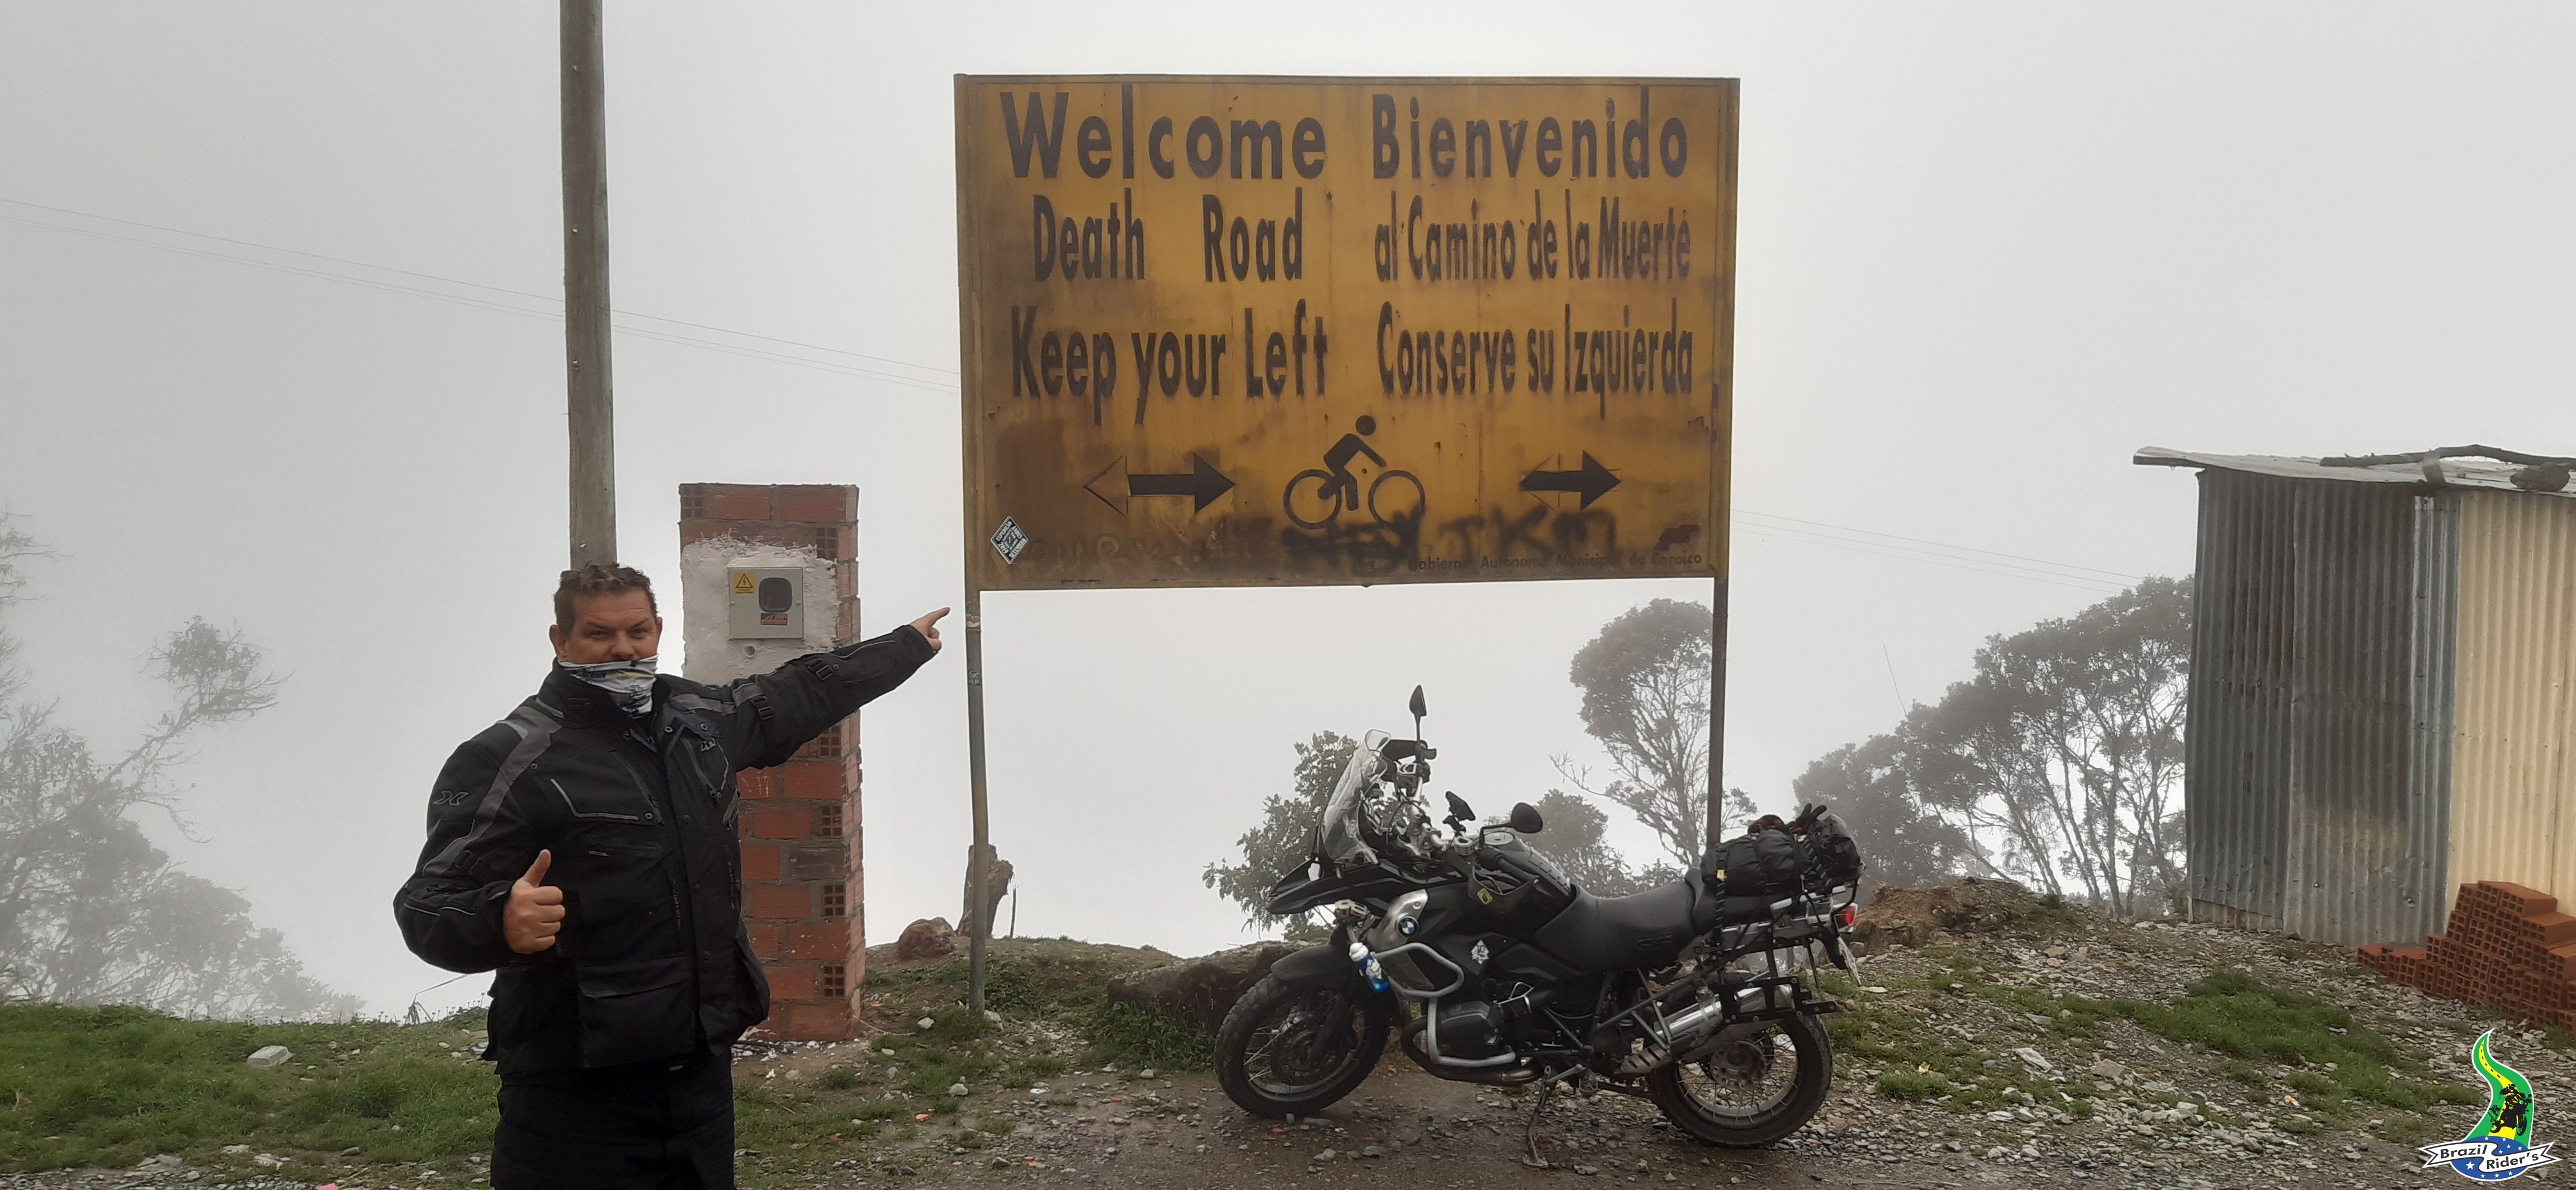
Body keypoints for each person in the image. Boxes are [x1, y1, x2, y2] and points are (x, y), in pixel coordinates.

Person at [394, 563, 945, 1189]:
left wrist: (903, 647)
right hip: (572, 1096)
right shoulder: (507, 757)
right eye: (599, 634)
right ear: (561, 639)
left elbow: (795, 692)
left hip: (700, 1081)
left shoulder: (699, 722)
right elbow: (427, 902)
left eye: (637, 632)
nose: (622, 649)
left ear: (657, 629)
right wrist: (499, 919)